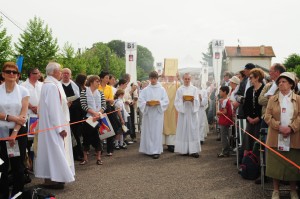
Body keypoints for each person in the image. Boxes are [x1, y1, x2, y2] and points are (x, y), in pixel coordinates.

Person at [35, 62, 75, 189]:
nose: (62, 73)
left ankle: (54, 178)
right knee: (55, 151)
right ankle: (56, 178)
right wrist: (60, 128)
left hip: (53, 125)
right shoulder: (51, 86)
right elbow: (54, 109)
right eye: (60, 71)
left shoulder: (52, 84)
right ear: (53, 72)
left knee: (53, 152)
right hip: (54, 127)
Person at [264, 72, 300, 199]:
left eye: (284, 81)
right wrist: (278, 126)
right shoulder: (272, 99)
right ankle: (275, 190)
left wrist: (291, 128)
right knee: (276, 164)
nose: (280, 83)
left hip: (294, 137)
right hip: (275, 136)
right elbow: (267, 116)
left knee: (292, 164)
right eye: (279, 82)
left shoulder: (298, 99)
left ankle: (293, 190)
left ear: (291, 84)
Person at [0, 62, 29, 199]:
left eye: (14, 72)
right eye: (8, 71)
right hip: (1, 133)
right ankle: (3, 194)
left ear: (18, 75)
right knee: (2, 165)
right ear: (3, 74)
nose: (11, 74)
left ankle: (17, 194)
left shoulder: (23, 91)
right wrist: (9, 117)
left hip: (17, 133)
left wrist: (14, 133)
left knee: (17, 166)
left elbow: (23, 114)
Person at [138, 71, 169, 159]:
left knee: (156, 132)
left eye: (155, 78)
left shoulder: (162, 89)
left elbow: (166, 101)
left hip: (157, 114)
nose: (153, 80)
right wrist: (146, 103)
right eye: (151, 78)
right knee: (148, 131)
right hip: (148, 114)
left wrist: (159, 103)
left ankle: (156, 151)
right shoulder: (145, 90)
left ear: (157, 79)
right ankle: (148, 149)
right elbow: (141, 101)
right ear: (149, 79)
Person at [80, 75, 106, 165]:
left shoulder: (100, 92)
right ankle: (85, 158)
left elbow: (104, 105)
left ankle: (99, 158)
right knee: (86, 137)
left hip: (98, 117)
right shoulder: (84, 92)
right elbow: (83, 105)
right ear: (91, 82)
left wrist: (98, 113)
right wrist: (93, 113)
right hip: (88, 118)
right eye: (97, 81)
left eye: (99, 81)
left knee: (97, 138)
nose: (99, 83)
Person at [174, 73, 201, 158]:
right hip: (184, 113)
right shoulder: (180, 89)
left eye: (188, 79)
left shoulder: (195, 89)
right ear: (183, 79)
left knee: (193, 131)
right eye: (185, 79)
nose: (187, 80)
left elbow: (197, 101)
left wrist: (193, 101)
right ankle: (184, 150)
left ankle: (194, 150)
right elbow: (176, 102)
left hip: (192, 113)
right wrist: (182, 100)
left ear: (191, 79)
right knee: (184, 130)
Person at [61, 68, 83, 161]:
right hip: (62, 113)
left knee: (75, 134)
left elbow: (79, 100)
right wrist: (65, 105)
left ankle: (77, 154)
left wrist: (70, 105)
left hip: (74, 114)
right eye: (64, 73)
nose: (66, 75)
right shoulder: (58, 85)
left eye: (67, 73)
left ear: (71, 75)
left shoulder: (76, 85)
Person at [243, 68, 264, 156]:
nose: (249, 79)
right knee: (247, 143)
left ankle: (257, 165)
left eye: (251, 77)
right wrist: (248, 117)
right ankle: (246, 165)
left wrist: (258, 118)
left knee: (257, 144)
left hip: (260, 121)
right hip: (249, 120)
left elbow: (264, 107)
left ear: (257, 77)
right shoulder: (249, 90)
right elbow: (245, 105)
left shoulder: (264, 89)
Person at [161, 76, 180, 152]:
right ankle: (162, 143)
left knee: (172, 125)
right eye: (169, 75)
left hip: (173, 108)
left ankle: (171, 144)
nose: (171, 77)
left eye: (172, 75)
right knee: (163, 125)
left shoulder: (177, 84)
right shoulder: (162, 84)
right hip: (164, 108)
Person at [216, 86, 233, 157]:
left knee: (224, 137)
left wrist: (218, 112)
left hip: (225, 121)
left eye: (220, 91)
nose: (219, 93)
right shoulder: (226, 100)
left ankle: (225, 151)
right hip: (225, 121)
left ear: (224, 92)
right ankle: (226, 151)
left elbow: (225, 112)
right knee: (225, 136)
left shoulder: (225, 101)